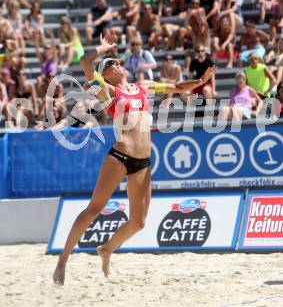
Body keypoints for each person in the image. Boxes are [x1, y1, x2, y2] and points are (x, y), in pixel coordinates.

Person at [53, 33, 216, 285]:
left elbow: (177, 87)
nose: (117, 64)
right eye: (111, 63)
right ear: (105, 74)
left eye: (117, 61)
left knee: (138, 222)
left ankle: (106, 249)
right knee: (94, 208)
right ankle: (63, 259)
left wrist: (200, 81)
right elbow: (85, 63)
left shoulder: (143, 86)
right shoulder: (106, 89)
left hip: (143, 163)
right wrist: (102, 48)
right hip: (119, 157)